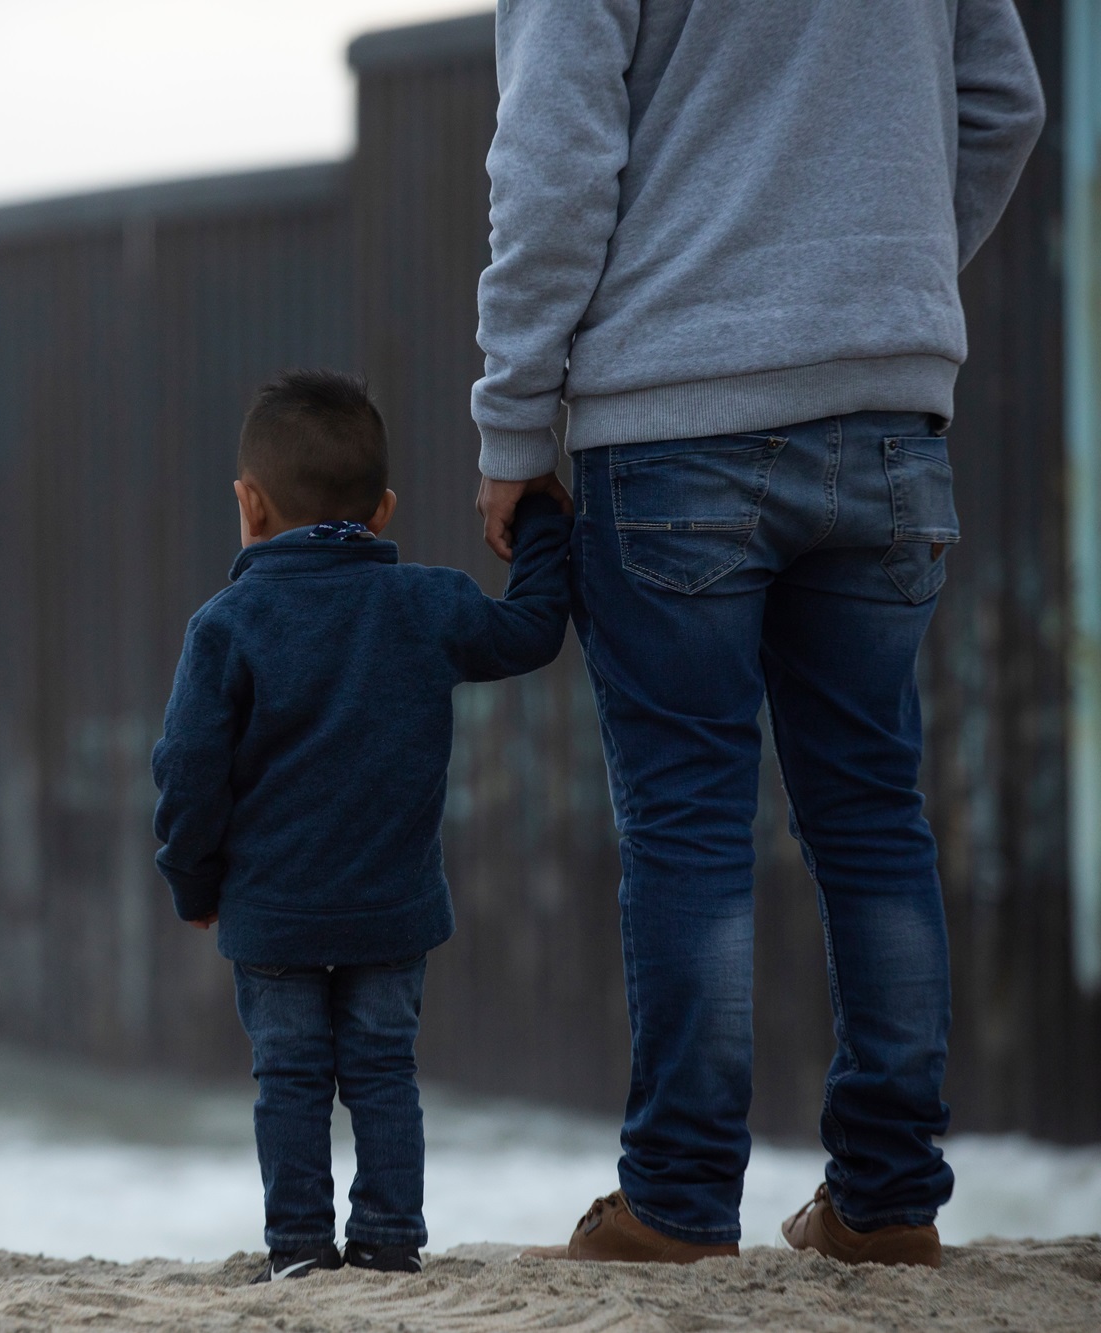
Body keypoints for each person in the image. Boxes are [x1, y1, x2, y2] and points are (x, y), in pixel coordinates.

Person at [470, 0, 1047, 1266]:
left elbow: (554, 157)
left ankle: (675, 1202)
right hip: (889, 413)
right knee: (870, 810)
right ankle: (887, 1202)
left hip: (673, 411)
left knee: (685, 819)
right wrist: (876, 296)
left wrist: (512, 424)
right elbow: (1004, 104)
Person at [151, 369, 571, 1282]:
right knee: (383, 1070)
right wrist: (537, 519)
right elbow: (535, 628)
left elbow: (187, 773)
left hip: (273, 912)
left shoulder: (225, 626)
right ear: (381, 510)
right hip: (392, 906)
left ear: (249, 504)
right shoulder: (428, 603)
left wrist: (193, 881)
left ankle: (298, 1249)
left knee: (291, 1077)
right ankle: (387, 1240)